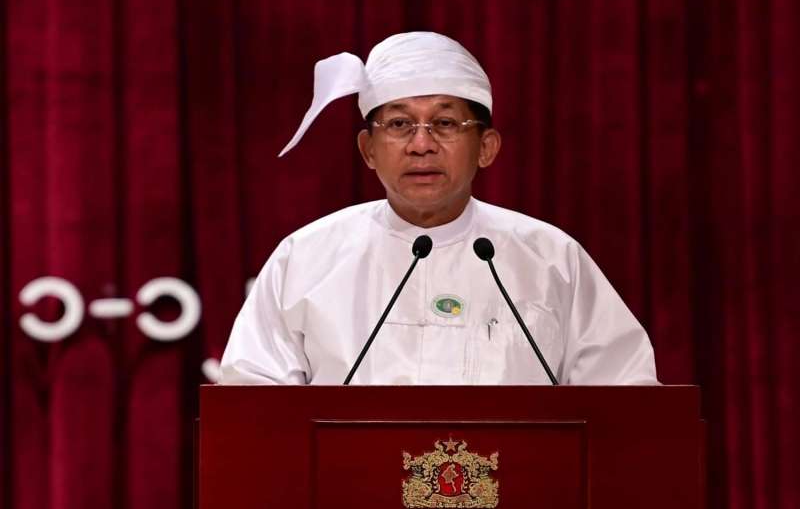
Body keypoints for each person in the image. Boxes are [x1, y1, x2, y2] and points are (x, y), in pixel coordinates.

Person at [219, 32, 658, 386]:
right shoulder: (305, 257)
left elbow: (625, 398)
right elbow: (253, 405)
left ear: (486, 147)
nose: (421, 144)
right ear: (368, 149)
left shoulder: (550, 258)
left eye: (445, 123)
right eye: (399, 124)